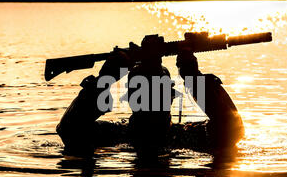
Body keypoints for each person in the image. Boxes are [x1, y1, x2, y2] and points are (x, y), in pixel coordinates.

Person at [56, 35, 244, 159]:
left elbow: (69, 129)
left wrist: (106, 79)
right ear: (172, 95)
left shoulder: (115, 135)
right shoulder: (187, 137)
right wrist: (192, 76)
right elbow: (232, 128)